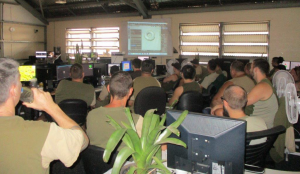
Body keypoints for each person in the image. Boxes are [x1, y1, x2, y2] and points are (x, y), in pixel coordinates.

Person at [0, 58, 88, 173]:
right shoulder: (40, 132)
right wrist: (51, 107)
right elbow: (82, 141)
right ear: (13, 90)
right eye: (19, 83)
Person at [86, 71, 143, 150]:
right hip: (125, 162)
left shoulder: (91, 115)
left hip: (95, 162)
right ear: (130, 91)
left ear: (108, 88)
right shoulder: (137, 120)